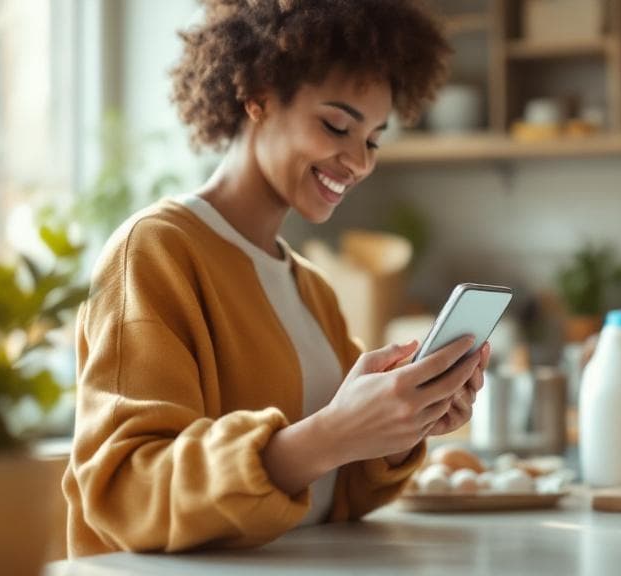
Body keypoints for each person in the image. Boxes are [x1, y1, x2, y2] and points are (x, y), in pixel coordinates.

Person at [62, 0, 483, 557]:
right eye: (337, 125)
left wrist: (401, 426)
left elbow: (334, 496)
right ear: (257, 95)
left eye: (375, 139)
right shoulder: (154, 252)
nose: (358, 161)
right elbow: (126, 491)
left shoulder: (310, 288)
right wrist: (330, 434)